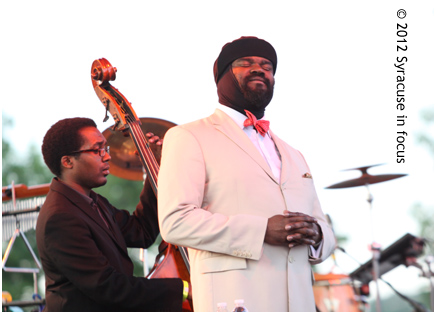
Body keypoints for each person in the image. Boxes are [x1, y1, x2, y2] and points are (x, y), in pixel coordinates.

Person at [157, 36, 335, 312]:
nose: (260, 69)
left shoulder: (294, 154)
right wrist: (261, 230)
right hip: (235, 299)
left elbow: (325, 229)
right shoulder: (189, 137)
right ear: (222, 75)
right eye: (245, 63)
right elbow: (175, 221)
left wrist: (316, 234)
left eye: (267, 66)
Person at [36, 117, 189, 311]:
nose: (107, 156)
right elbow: (108, 287)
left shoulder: (92, 201)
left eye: (105, 149)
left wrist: (155, 169)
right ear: (67, 162)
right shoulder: (61, 218)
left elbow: (141, 232)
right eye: (96, 150)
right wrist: (183, 289)